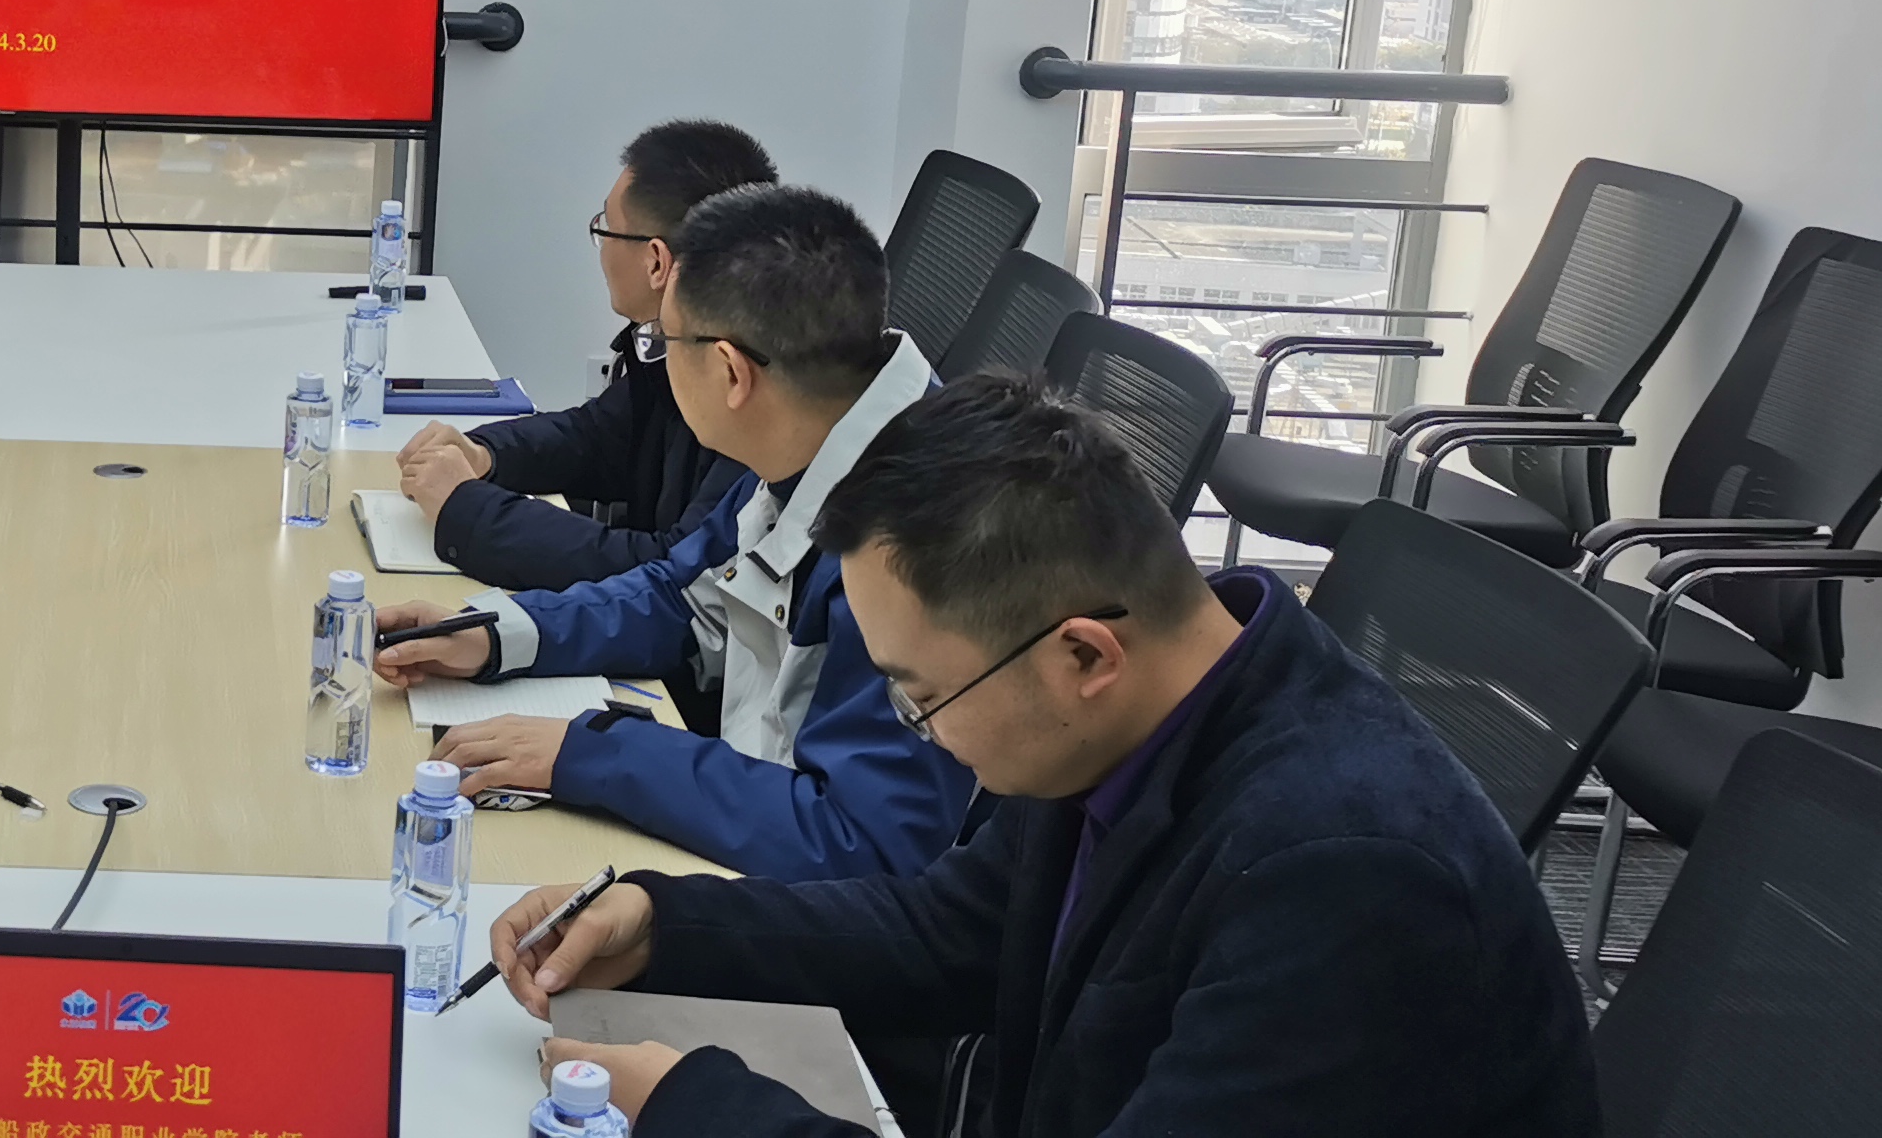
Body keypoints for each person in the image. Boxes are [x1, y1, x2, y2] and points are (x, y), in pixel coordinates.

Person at [488, 375, 1599, 1136]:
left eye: (925, 696)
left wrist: (696, 1109)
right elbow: (950, 930)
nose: (922, 730)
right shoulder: (1144, 713)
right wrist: (663, 923)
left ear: (1082, 656)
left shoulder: (1347, 879)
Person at [373, 184, 972, 879]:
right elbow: (685, 595)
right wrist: (496, 634)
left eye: (665, 340)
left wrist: (595, 753)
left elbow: (861, 846)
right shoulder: (820, 424)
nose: (656, 359)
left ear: (730, 372)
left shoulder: (914, 540)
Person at [395, 119, 773, 599]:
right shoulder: (671, 344)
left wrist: (467, 510)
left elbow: (674, 576)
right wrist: (487, 455)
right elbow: (598, 437)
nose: (601, 248)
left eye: (606, 229)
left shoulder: (755, 392)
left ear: (656, 262)